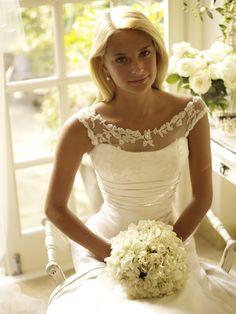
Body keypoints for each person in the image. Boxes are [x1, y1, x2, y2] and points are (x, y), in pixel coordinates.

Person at [44, 6, 236, 314]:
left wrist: (165, 251)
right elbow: (54, 208)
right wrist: (115, 255)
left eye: (144, 53)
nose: (137, 68)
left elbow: (202, 197)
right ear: (103, 65)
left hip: (174, 240)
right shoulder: (82, 127)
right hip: (103, 248)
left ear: (157, 53)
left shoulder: (192, 112)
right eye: (121, 59)